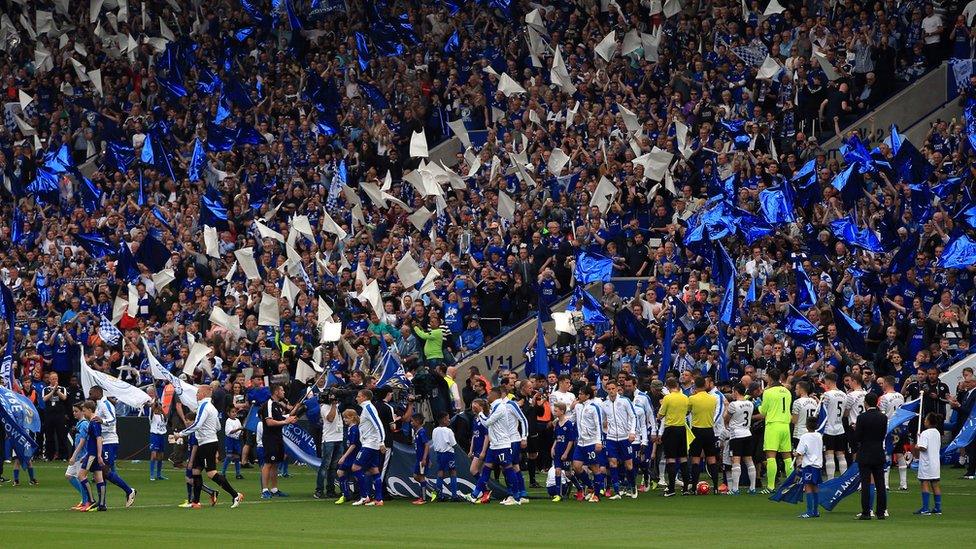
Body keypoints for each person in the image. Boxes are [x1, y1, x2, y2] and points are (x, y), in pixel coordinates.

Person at [178, 385, 245, 509]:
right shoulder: (212, 408)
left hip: (207, 443)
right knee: (195, 471)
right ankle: (196, 502)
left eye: (198, 392)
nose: (196, 394)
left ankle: (235, 494)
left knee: (211, 473)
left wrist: (181, 434)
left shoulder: (204, 406)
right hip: (205, 442)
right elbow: (218, 426)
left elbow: (197, 424)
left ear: (203, 394)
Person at [470, 387, 524, 505]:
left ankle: (516, 497)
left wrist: (480, 412)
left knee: (508, 469)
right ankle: (474, 495)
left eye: (489, 394)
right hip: (494, 445)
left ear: (495, 395)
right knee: (486, 470)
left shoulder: (500, 407)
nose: (487, 396)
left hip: (502, 444)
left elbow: (487, 423)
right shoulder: (495, 407)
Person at [88, 386, 136, 507]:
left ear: (97, 392)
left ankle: (129, 491)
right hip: (104, 441)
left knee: (104, 470)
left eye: (91, 393)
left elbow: (112, 419)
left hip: (110, 441)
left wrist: (102, 421)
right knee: (101, 472)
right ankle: (102, 502)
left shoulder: (105, 404)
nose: (89, 395)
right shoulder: (99, 404)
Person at [852, 392, 888, 520]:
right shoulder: (883, 418)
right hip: (878, 452)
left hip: (865, 453)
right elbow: (883, 434)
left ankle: (866, 512)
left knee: (866, 484)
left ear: (865, 403)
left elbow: (857, 437)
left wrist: (855, 429)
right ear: (877, 402)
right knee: (880, 484)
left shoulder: (862, 417)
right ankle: (881, 512)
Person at [757, 369, 793, 493]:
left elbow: (763, 411)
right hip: (785, 425)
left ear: (770, 378)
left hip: (773, 425)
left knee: (770, 456)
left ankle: (771, 486)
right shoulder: (787, 392)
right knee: (787, 456)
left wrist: (758, 405)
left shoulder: (768, 392)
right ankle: (790, 485)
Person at [602, 379, 637, 499]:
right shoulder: (604, 404)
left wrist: (632, 432)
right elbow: (603, 420)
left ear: (617, 389)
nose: (611, 391)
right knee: (612, 463)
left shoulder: (624, 401)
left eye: (613, 389)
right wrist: (605, 428)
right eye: (609, 389)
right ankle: (617, 491)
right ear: (606, 390)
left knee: (629, 465)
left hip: (624, 437)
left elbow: (633, 417)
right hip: (611, 438)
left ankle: (633, 486)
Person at [260, 383, 296, 499]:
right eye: (282, 390)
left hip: (278, 437)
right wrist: (286, 421)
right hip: (270, 438)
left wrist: (289, 418)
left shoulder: (277, 405)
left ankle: (274, 489)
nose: (284, 392)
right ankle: (265, 490)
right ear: (276, 392)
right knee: (268, 463)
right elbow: (269, 422)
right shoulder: (269, 404)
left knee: (275, 463)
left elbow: (280, 418)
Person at [351, 389, 386, 506]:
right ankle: (379, 499)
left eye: (359, 396)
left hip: (370, 444)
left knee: (355, 468)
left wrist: (381, 442)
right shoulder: (366, 408)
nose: (357, 398)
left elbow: (378, 424)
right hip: (371, 443)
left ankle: (364, 496)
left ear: (365, 397)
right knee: (374, 470)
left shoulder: (368, 408)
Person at [571, 384, 606, 503]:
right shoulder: (578, 407)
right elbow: (573, 419)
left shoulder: (594, 407)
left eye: (581, 394)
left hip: (591, 442)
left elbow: (598, 424)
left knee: (595, 468)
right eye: (579, 393)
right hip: (581, 442)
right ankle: (590, 486)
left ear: (587, 395)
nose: (579, 396)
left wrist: (599, 441)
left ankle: (597, 494)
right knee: (576, 466)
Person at [177, 411, 218, 509]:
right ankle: (210, 493)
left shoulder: (195, 432)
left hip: (195, 458)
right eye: (186, 420)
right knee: (190, 479)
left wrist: (191, 460)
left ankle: (193, 500)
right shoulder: (191, 431)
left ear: (194, 421)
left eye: (188, 420)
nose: (186, 422)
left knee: (190, 479)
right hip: (192, 456)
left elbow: (195, 446)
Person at [658, 377, 690, 497]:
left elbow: (660, 415)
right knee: (683, 459)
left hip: (670, 429)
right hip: (682, 429)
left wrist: (661, 408)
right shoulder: (685, 397)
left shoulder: (667, 398)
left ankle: (671, 489)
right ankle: (686, 489)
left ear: (667, 387)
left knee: (670, 459)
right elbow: (687, 412)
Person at [688, 377, 720, 494]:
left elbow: (687, 411)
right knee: (711, 458)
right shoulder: (712, 399)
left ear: (695, 386)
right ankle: (716, 487)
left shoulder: (692, 398)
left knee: (696, 459)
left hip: (697, 430)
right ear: (705, 386)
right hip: (709, 430)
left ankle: (693, 488)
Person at [725, 383, 756, 495]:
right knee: (749, 460)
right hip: (747, 433)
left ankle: (735, 488)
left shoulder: (733, 404)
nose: (732, 393)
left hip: (736, 435)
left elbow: (727, 417)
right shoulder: (750, 404)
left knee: (735, 460)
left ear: (736, 391)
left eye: (733, 391)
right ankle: (752, 488)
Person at [878, 376, 908, 491]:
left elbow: (882, 415)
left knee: (888, 453)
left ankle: (885, 483)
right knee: (900, 453)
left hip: (889, 428)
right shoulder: (900, 396)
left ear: (886, 383)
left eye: (883, 383)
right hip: (900, 427)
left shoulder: (884, 398)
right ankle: (903, 483)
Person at [314, 392, 344, 500]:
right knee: (325, 466)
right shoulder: (324, 407)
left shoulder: (340, 406)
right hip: (329, 439)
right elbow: (330, 419)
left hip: (339, 438)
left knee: (334, 467)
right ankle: (319, 490)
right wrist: (333, 405)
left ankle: (330, 490)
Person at [913, 412, 944, 515]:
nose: (924, 421)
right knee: (935, 484)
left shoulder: (925, 433)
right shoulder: (937, 432)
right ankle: (938, 508)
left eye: (925, 420)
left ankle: (925, 508)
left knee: (924, 483)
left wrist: (917, 446)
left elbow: (923, 447)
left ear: (929, 422)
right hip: (935, 462)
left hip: (926, 463)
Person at [793, 416, 824, 519]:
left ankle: (809, 511)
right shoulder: (819, 435)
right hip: (818, 465)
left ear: (806, 426)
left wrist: (794, 453)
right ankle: (815, 511)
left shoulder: (805, 437)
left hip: (809, 465)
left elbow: (800, 452)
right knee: (815, 487)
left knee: (808, 487)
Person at [820, 374, 849, 479]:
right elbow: (846, 413)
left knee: (829, 455)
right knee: (841, 455)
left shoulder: (827, 395)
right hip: (840, 428)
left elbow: (822, 411)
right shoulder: (844, 394)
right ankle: (844, 480)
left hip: (829, 428)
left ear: (828, 381)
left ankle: (830, 480)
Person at [79, 401, 105, 512]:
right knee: (99, 477)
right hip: (92, 453)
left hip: (93, 454)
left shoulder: (94, 422)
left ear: (90, 410)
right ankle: (102, 504)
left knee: (81, 475)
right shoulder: (94, 421)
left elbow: (99, 438)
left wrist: (98, 455)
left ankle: (91, 500)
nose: (83, 413)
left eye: (84, 411)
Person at [66, 403, 92, 510]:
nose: (74, 413)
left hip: (81, 455)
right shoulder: (79, 424)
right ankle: (84, 498)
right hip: (77, 455)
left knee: (80, 477)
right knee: (69, 475)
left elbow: (82, 441)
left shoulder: (84, 424)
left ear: (82, 411)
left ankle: (86, 500)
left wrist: (74, 455)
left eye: (76, 411)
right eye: (73, 411)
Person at [551, 401, 577, 502]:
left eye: (556, 410)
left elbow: (571, 440)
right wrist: (553, 447)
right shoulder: (557, 423)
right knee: (557, 471)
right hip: (558, 450)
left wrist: (566, 453)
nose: (554, 412)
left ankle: (579, 488)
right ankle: (558, 494)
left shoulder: (568, 424)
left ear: (562, 411)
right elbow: (556, 438)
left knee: (568, 473)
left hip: (566, 452)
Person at [432, 411, 460, 501]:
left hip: (439, 454)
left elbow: (434, 443)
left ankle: (439, 495)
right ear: (444, 420)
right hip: (448, 453)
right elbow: (453, 444)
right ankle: (454, 496)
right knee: (453, 472)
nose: (449, 420)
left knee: (440, 472)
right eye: (448, 418)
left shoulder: (434, 430)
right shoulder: (448, 431)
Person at [334, 410, 361, 505]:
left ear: (352, 418)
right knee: (340, 472)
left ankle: (363, 495)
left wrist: (344, 457)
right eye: (344, 417)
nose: (344, 419)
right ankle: (346, 494)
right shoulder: (350, 428)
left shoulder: (354, 429)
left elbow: (353, 445)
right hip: (350, 455)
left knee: (357, 474)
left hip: (354, 455)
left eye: (346, 417)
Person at [410, 414, 431, 505]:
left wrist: (424, 459)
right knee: (416, 476)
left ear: (417, 422)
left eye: (412, 421)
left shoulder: (422, 432)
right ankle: (424, 492)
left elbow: (426, 445)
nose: (411, 423)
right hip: (419, 458)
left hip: (421, 459)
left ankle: (423, 498)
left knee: (420, 476)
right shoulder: (417, 432)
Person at [222, 406, 244, 480]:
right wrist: (238, 429)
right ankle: (223, 473)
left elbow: (240, 429)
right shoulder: (228, 421)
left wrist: (241, 431)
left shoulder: (237, 420)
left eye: (235, 412)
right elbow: (230, 431)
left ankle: (238, 474)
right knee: (229, 457)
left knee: (237, 457)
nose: (234, 413)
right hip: (230, 440)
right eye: (232, 412)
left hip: (236, 440)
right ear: (228, 413)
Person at [148, 400, 169, 481]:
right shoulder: (152, 417)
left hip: (162, 436)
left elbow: (166, 419)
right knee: (154, 455)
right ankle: (152, 474)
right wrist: (154, 404)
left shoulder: (162, 416)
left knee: (161, 456)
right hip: (155, 435)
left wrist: (162, 410)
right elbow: (152, 410)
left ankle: (159, 474)